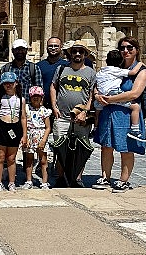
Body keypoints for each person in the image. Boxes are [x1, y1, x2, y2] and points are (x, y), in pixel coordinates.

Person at [93, 36, 146, 192]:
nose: (126, 51)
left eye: (130, 48)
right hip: (108, 111)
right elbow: (98, 84)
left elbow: (134, 94)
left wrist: (110, 99)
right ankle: (105, 177)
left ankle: (123, 180)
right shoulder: (114, 67)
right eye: (122, 48)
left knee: (126, 148)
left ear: (136, 50)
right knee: (106, 146)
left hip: (126, 114)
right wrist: (97, 95)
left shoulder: (141, 70)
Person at [49, 40, 96, 187]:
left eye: (80, 52)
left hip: (81, 117)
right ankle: (61, 177)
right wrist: (54, 106)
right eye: (74, 51)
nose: (77, 54)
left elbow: (91, 94)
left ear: (84, 55)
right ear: (70, 53)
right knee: (60, 147)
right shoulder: (61, 69)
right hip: (62, 116)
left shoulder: (90, 72)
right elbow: (53, 86)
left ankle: (77, 178)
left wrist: (86, 112)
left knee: (81, 148)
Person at [93, 50, 145, 141]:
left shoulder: (100, 72)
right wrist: (140, 63)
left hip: (101, 96)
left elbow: (96, 84)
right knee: (135, 107)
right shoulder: (117, 70)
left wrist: (96, 94)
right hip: (113, 94)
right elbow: (133, 72)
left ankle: (95, 129)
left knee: (98, 113)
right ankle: (135, 130)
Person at [0, 72, 27, 191]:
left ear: (16, 83)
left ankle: (12, 182)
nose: (8, 85)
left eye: (10, 83)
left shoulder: (21, 99)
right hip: (2, 126)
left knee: (11, 158)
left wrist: (24, 134)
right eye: (6, 83)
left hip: (15, 127)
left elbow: (23, 117)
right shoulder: (0, 98)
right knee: (0, 157)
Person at [21, 86, 52, 190]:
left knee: (43, 160)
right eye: (34, 96)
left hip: (41, 134)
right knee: (29, 160)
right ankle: (29, 180)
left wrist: (43, 140)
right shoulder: (26, 109)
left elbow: (48, 127)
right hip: (30, 134)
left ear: (41, 97)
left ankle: (44, 182)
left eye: (38, 96)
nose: (36, 98)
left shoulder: (44, 111)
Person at [37, 37, 69, 109]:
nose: (53, 48)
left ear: (61, 47)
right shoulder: (39, 66)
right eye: (50, 46)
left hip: (62, 106)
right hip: (43, 105)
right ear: (46, 47)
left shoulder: (67, 66)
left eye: (56, 46)